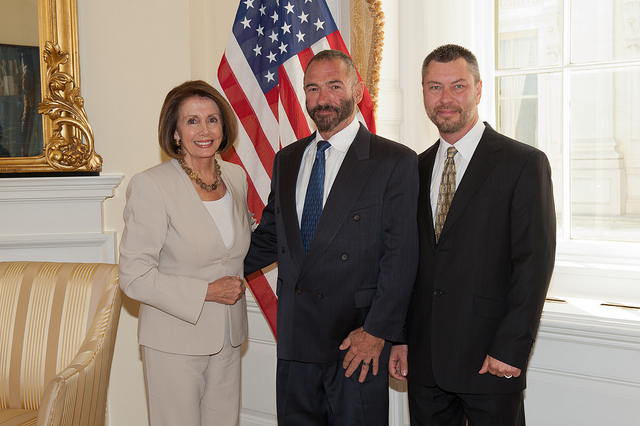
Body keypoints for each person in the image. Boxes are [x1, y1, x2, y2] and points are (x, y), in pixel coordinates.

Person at [244, 49, 419, 426]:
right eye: (312, 88)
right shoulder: (287, 159)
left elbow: (401, 256)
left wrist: (377, 332)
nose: (322, 99)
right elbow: (270, 236)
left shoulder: (393, 160)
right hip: (295, 340)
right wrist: (209, 268)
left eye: (334, 86)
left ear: (357, 91)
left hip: (355, 342)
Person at [389, 44, 556, 426]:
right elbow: (403, 260)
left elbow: (533, 263)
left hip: (491, 362)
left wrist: (511, 349)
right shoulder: (412, 168)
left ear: (479, 89)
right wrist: (399, 337)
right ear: (423, 93)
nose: (446, 99)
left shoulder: (523, 164)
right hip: (425, 364)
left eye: (458, 86)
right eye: (434, 87)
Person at [119, 80, 251, 426]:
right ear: (175, 132)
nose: (204, 130)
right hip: (172, 341)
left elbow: (229, 249)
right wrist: (206, 292)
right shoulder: (152, 185)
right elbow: (134, 276)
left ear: (224, 126)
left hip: (228, 337)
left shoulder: (236, 178)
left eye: (212, 119)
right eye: (191, 121)